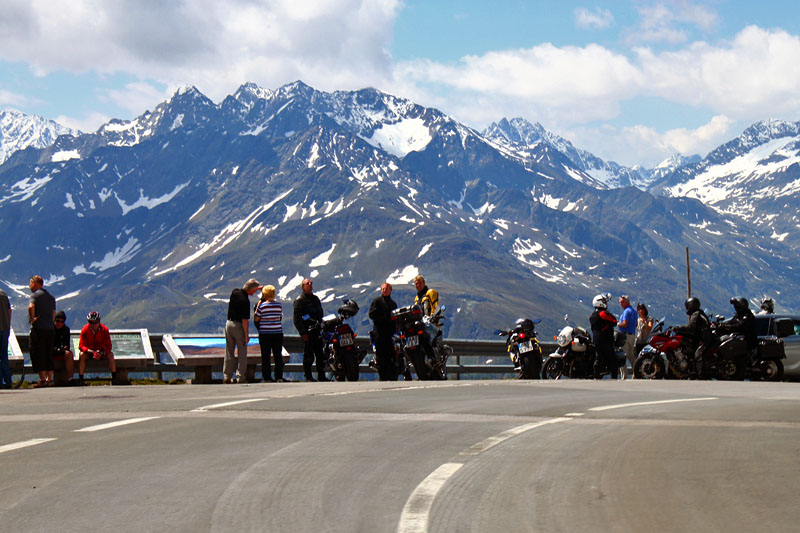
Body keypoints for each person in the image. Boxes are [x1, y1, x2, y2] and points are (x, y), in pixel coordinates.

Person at [224, 278, 261, 384]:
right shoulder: (245, 301)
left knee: (229, 351)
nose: (255, 292)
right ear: (251, 290)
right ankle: (240, 376)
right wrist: (246, 335)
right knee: (242, 352)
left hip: (228, 324)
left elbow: (249, 288)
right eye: (255, 290)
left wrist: (258, 287)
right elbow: (245, 320)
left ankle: (227, 376)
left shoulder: (235, 292)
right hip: (238, 326)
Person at [293, 278, 328, 382]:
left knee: (320, 355)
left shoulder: (316, 299)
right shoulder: (300, 300)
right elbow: (297, 319)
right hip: (307, 332)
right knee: (308, 355)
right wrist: (302, 332)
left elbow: (320, 313)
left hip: (317, 330)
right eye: (307, 283)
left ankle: (321, 375)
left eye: (311, 283)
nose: (310, 284)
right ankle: (308, 376)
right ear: (303, 287)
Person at [672, 297, 716, 378]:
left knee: (698, 355)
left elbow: (691, 327)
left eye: (687, 306)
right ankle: (693, 372)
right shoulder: (699, 313)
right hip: (702, 337)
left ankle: (701, 376)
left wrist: (678, 328)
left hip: (704, 338)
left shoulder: (696, 314)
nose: (687, 308)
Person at [254, 285, 288, 382]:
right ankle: (279, 376)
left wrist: (258, 307)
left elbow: (256, 318)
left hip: (265, 333)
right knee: (278, 355)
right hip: (277, 332)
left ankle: (267, 377)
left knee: (266, 356)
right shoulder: (279, 305)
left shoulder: (262, 306)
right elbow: (279, 318)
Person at [28, 275, 56, 387]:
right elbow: (54, 312)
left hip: (39, 328)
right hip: (50, 328)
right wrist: (51, 322)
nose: (29, 285)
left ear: (35, 283)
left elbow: (31, 307)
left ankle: (42, 379)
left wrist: (32, 319)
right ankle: (50, 379)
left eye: (30, 283)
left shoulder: (35, 295)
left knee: (39, 352)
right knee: (49, 353)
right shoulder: (50, 297)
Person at [78, 311, 118, 385]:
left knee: (111, 355)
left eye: (96, 322)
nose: (94, 325)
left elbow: (109, 346)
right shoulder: (84, 330)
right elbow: (81, 345)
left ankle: (114, 378)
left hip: (101, 352)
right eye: (91, 322)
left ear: (99, 321)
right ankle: (81, 379)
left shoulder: (105, 330)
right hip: (89, 352)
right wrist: (89, 351)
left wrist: (103, 353)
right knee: (82, 355)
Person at [369, 282, 398, 381]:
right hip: (379, 333)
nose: (384, 290)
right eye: (383, 289)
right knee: (380, 356)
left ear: (390, 290)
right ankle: (383, 377)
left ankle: (391, 376)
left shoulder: (393, 304)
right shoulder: (376, 302)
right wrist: (384, 319)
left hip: (390, 334)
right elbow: (372, 314)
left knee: (390, 355)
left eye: (386, 289)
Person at [590, 293, 618, 379]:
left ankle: (596, 376)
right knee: (613, 360)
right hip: (606, 340)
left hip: (596, 340)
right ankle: (614, 378)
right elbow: (614, 321)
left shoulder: (592, 315)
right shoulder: (603, 313)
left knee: (598, 358)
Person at [53, 310, 75, 385]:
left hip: (61, 352)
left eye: (62, 321)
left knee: (69, 354)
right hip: (51, 353)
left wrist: (64, 350)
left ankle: (71, 379)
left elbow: (67, 344)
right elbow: (49, 346)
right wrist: (58, 350)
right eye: (58, 321)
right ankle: (47, 379)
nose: (59, 323)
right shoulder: (50, 329)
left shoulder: (66, 330)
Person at [617, 295, 637, 378]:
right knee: (631, 355)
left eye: (622, 302)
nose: (621, 304)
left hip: (624, 335)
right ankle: (636, 373)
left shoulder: (626, 311)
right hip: (632, 335)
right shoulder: (634, 311)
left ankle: (624, 374)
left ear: (627, 301)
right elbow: (635, 324)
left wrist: (618, 323)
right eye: (620, 302)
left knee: (622, 355)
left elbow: (625, 324)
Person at [0, 289, 11, 389]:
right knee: (4, 355)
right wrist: (8, 324)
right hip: (5, 328)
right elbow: (9, 311)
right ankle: (8, 381)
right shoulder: (3, 293)